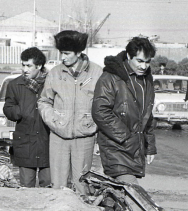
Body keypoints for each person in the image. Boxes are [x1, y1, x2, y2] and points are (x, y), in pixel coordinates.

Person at [37, 30, 102, 195]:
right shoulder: (55, 73)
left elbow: (103, 105)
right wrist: (55, 121)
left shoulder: (97, 73)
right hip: (58, 137)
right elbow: (44, 101)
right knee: (58, 186)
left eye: (67, 53)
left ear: (79, 53)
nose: (62, 57)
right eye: (61, 53)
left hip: (85, 137)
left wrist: (93, 123)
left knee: (83, 185)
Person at [92, 36, 157, 185]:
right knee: (132, 191)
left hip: (134, 148)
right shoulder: (110, 77)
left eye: (147, 62)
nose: (144, 66)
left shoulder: (146, 80)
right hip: (115, 146)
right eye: (139, 61)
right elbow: (100, 111)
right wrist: (125, 137)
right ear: (129, 56)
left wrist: (150, 147)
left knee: (119, 194)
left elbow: (147, 115)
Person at [3, 47, 50, 187]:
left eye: (28, 66)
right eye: (23, 65)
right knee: (26, 189)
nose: (24, 69)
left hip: (47, 144)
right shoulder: (14, 84)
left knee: (48, 187)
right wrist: (20, 111)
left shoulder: (51, 84)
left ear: (39, 66)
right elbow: (8, 108)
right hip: (25, 144)